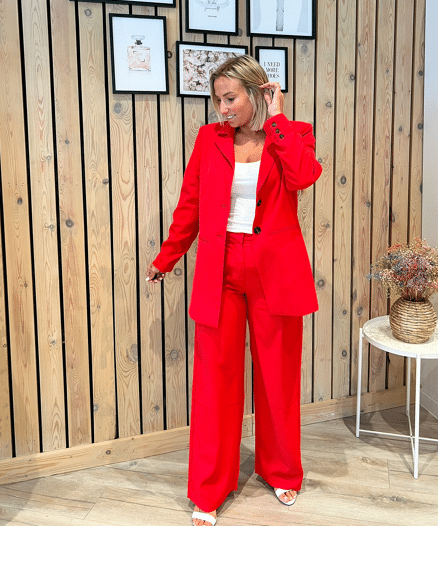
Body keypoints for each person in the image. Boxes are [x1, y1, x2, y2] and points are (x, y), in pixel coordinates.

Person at [146, 55, 322, 526]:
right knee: (214, 382)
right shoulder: (210, 139)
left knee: (278, 376)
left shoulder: (291, 134)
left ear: (257, 92)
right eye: (218, 100)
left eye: (230, 99)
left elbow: (304, 176)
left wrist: (277, 117)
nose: (222, 109)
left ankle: (281, 470)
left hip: (274, 271)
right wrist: (167, 257)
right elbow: (190, 203)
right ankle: (209, 489)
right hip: (220, 268)